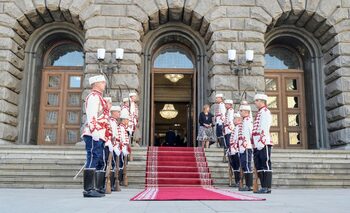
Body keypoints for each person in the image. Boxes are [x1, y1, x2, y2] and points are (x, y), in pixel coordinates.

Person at [81, 75, 110, 198]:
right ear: (96, 83)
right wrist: (94, 130)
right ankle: (88, 189)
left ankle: (98, 187)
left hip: (100, 133)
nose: (104, 84)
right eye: (102, 82)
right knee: (92, 157)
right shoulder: (93, 97)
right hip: (94, 133)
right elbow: (91, 115)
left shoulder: (99, 97)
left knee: (98, 158)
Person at [252, 94, 273, 194]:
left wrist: (262, 141)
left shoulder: (265, 112)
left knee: (265, 163)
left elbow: (264, 127)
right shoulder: (260, 112)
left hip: (263, 142)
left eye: (257, 100)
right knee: (259, 165)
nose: (255, 102)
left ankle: (267, 186)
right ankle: (263, 185)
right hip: (257, 143)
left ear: (262, 101)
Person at [238, 104, 253, 191]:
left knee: (247, 165)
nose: (240, 112)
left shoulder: (248, 121)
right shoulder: (244, 121)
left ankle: (249, 185)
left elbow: (251, 133)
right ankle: (247, 185)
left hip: (247, 146)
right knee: (244, 165)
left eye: (242, 111)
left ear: (246, 112)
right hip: (243, 147)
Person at [107, 105, 121, 191]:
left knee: (113, 164)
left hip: (115, 145)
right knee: (110, 164)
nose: (119, 114)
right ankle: (109, 184)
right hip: (111, 144)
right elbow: (111, 134)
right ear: (113, 113)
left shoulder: (114, 121)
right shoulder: (111, 121)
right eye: (118, 112)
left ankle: (111, 184)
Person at [118, 108, 131, 185]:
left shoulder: (124, 127)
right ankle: (119, 180)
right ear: (124, 120)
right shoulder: (121, 127)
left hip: (124, 148)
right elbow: (121, 139)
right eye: (127, 120)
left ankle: (120, 180)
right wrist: (123, 147)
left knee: (123, 164)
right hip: (121, 148)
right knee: (120, 163)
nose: (128, 121)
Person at [228, 113, 242, 187]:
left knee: (238, 166)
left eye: (234, 119)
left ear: (238, 119)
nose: (233, 120)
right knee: (235, 166)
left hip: (237, 150)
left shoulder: (240, 127)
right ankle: (237, 181)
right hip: (233, 150)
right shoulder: (236, 127)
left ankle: (240, 181)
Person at [214, 94, 226, 160]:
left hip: (221, 121)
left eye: (217, 98)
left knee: (221, 134)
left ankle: (222, 145)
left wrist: (222, 121)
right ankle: (220, 144)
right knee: (218, 134)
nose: (216, 99)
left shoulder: (222, 104)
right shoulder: (218, 105)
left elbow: (223, 113)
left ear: (220, 98)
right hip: (218, 121)